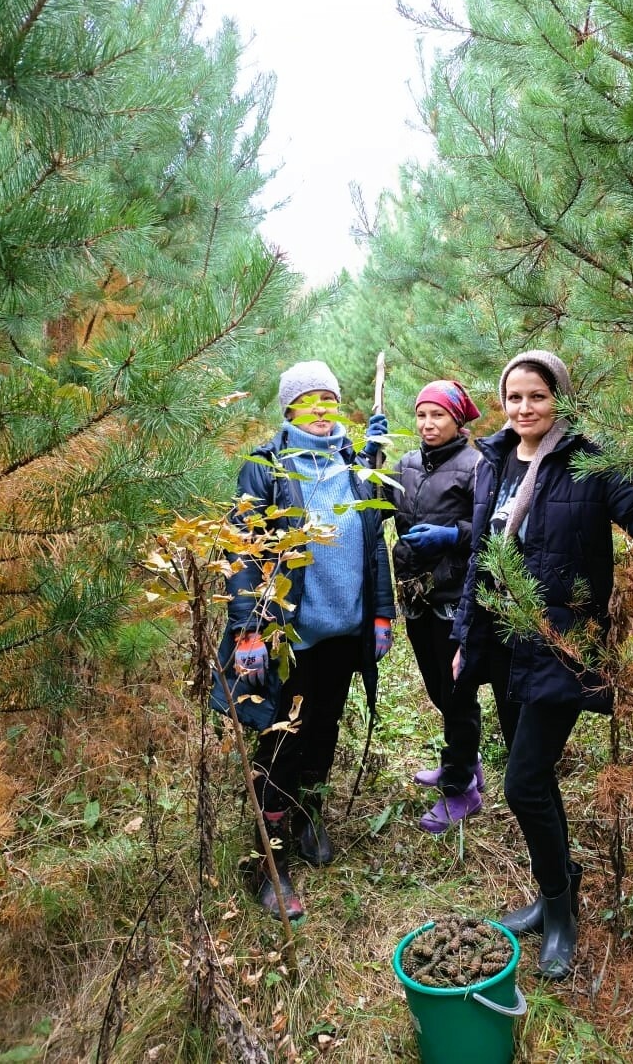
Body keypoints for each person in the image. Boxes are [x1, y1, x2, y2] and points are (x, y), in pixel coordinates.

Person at [451, 350, 633, 980]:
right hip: (505, 642)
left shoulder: (590, 463)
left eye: (537, 396)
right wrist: (464, 637)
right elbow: (482, 555)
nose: (524, 408)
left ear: (561, 398)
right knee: (535, 778)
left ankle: (561, 914)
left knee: (522, 783)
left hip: (563, 645)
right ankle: (554, 894)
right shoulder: (493, 460)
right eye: (514, 397)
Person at [216, 360, 395, 920]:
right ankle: (269, 862)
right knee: (282, 742)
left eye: (330, 400)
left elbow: (373, 542)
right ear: (289, 409)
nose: (322, 410)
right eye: (309, 401)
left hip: (343, 632)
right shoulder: (266, 466)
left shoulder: (353, 463)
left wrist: (381, 613)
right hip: (289, 636)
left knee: (324, 729)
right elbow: (242, 550)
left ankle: (308, 815)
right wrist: (248, 629)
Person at [387, 380, 484, 833]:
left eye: (438, 415)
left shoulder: (476, 466)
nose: (428, 424)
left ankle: (461, 789)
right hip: (416, 598)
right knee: (435, 687)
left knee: (457, 694)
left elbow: (492, 528)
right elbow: (376, 506)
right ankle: (464, 760)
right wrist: (367, 459)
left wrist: (453, 535)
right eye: (422, 415)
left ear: (457, 420)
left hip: (453, 598)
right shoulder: (406, 464)